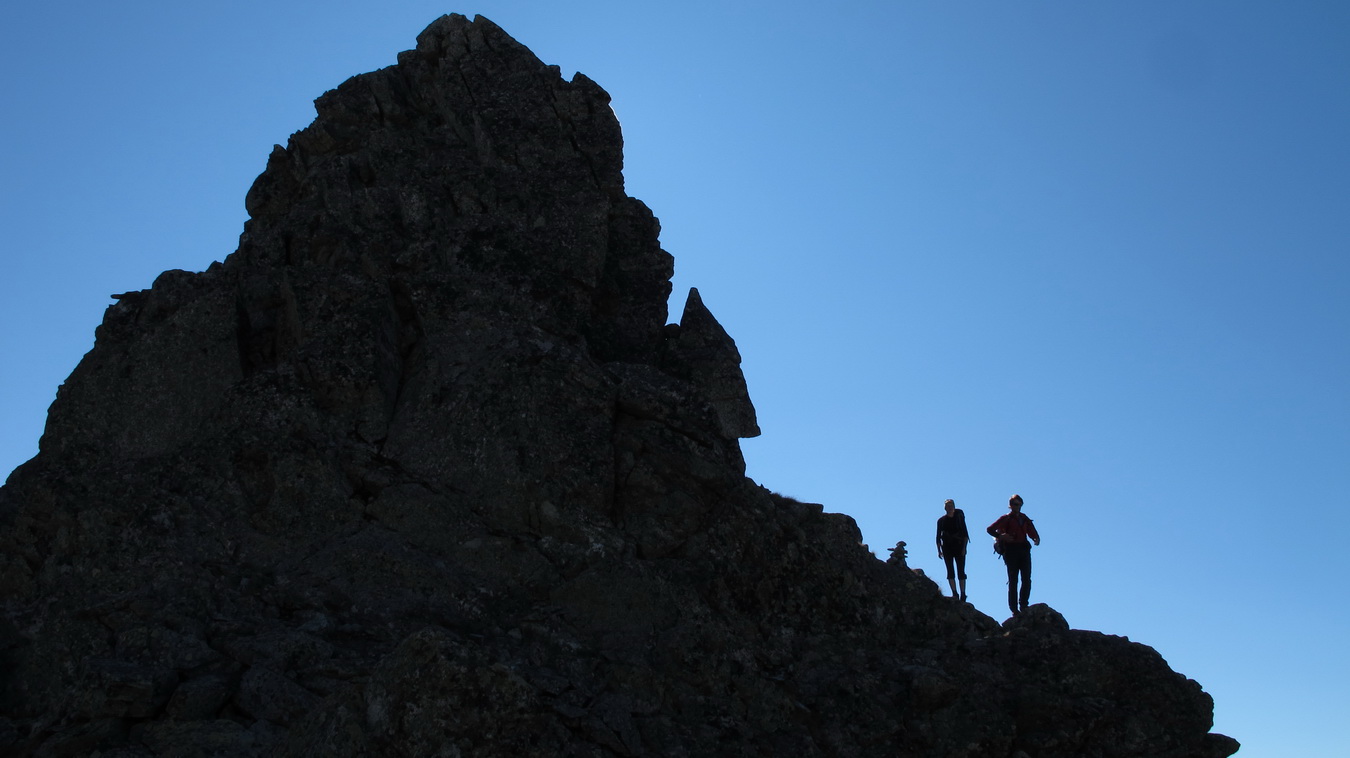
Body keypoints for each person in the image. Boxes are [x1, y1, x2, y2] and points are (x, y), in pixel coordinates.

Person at [987, 494, 1041, 616]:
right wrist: (1000, 536)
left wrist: (1036, 538)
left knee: (1026, 579)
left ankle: (1023, 605)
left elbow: (1032, 530)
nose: (1018, 507)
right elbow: (989, 529)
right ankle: (1014, 608)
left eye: (1020, 504)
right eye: (1016, 504)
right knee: (1013, 580)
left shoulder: (1024, 518)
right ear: (1010, 506)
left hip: (1024, 549)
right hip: (1011, 551)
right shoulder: (1006, 518)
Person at [936, 499, 970, 601]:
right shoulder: (941, 521)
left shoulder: (959, 519)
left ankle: (963, 593)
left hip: (959, 547)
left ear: (954, 507)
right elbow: (937, 537)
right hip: (947, 547)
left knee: (961, 571)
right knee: (950, 570)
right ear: (945, 508)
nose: (949, 507)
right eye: (947, 506)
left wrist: (964, 548)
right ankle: (955, 593)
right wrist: (939, 550)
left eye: (951, 505)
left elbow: (965, 535)